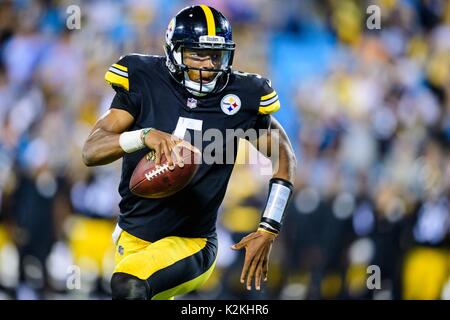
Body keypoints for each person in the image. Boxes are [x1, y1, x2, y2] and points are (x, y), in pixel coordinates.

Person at [82, 4, 296, 300]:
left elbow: (284, 155)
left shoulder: (242, 95)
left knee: (129, 285)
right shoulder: (144, 77)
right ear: (174, 52)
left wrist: (269, 227)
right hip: (132, 236)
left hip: (191, 243)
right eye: (198, 54)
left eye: (216, 55)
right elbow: (91, 151)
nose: (208, 65)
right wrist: (143, 136)